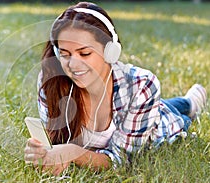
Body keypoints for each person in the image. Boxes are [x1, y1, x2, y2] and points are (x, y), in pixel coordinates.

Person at [24, 2, 207, 176]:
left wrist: (74, 153)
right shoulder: (52, 80)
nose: (73, 64)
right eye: (65, 54)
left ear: (110, 51)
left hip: (158, 125)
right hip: (141, 111)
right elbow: (55, 140)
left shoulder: (141, 85)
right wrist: (43, 154)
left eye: (84, 53)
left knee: (177, 115)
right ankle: (186, 102)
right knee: (165, 104)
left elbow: (122, 161)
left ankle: (190, 103)